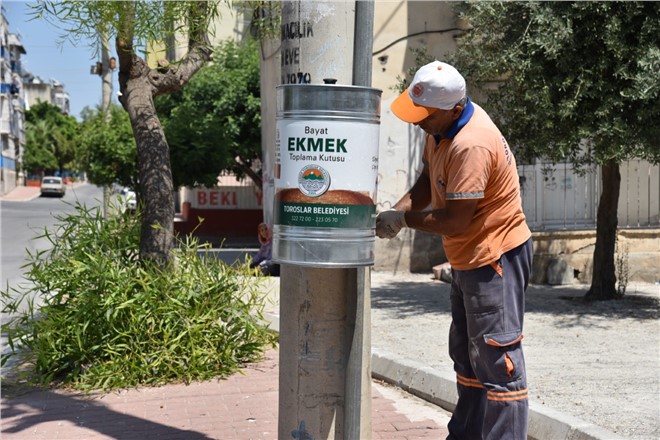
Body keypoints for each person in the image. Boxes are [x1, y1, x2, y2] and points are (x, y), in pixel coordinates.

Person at [377, 60, 533, 440]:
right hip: (469, 258)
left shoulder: (471, 143)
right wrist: (395, 211)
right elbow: (426, 183)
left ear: (451, 108)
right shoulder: (440, 131)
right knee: (467, 357)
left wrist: (404, 222)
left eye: (423, 116)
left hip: (494, 258)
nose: (417, 123)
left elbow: (454, 220)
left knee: (499, 364)